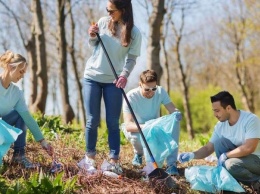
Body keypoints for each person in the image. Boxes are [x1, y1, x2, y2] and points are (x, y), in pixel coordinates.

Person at [79, 0, 142, 175]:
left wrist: (124, 75)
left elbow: (131, 59)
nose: (108, 13)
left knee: (113, 122)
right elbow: (93, 45)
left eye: (111, 10)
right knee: (92, 120)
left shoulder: (134, 33)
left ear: (123, 10)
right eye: (107, 10)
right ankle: (89, 159)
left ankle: (114, 160)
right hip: (92, 77)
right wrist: (92, 35)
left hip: (113, 81)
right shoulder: (102, 23)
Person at [178, 91, 260, 190]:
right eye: (214, 111)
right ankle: (232, 183)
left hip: (256, 160)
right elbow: (208, 148)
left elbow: (249, 148)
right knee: (219, 143)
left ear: (228, 108)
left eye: (217, 110)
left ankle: (256, 182)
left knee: (230, 164)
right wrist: (192, 155)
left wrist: (226, 155)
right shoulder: (220, 126)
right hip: (240, 159)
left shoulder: (250, 120)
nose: (214, 114)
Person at [0, 50, 54, 168]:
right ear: (10, 67)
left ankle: (19, 156)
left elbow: (28, 118)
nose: (22, 76)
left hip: (2, 127)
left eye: (24, 73)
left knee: (21, 114)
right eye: (21, 71)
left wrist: (43, 142)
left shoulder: (17, 93)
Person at [122, 69, 181, 175]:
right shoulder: (131, 97)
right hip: (138, 130)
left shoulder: (160, 91)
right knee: (137, 139)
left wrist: (177, 114)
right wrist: (147, 127)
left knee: (175, 121)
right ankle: (139, 154)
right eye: (147, 89)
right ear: (140, 84)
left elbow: (172, 109)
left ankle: (171, 164)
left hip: (155, 128)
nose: (151, 92)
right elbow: (128, 125)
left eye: (154, 88)